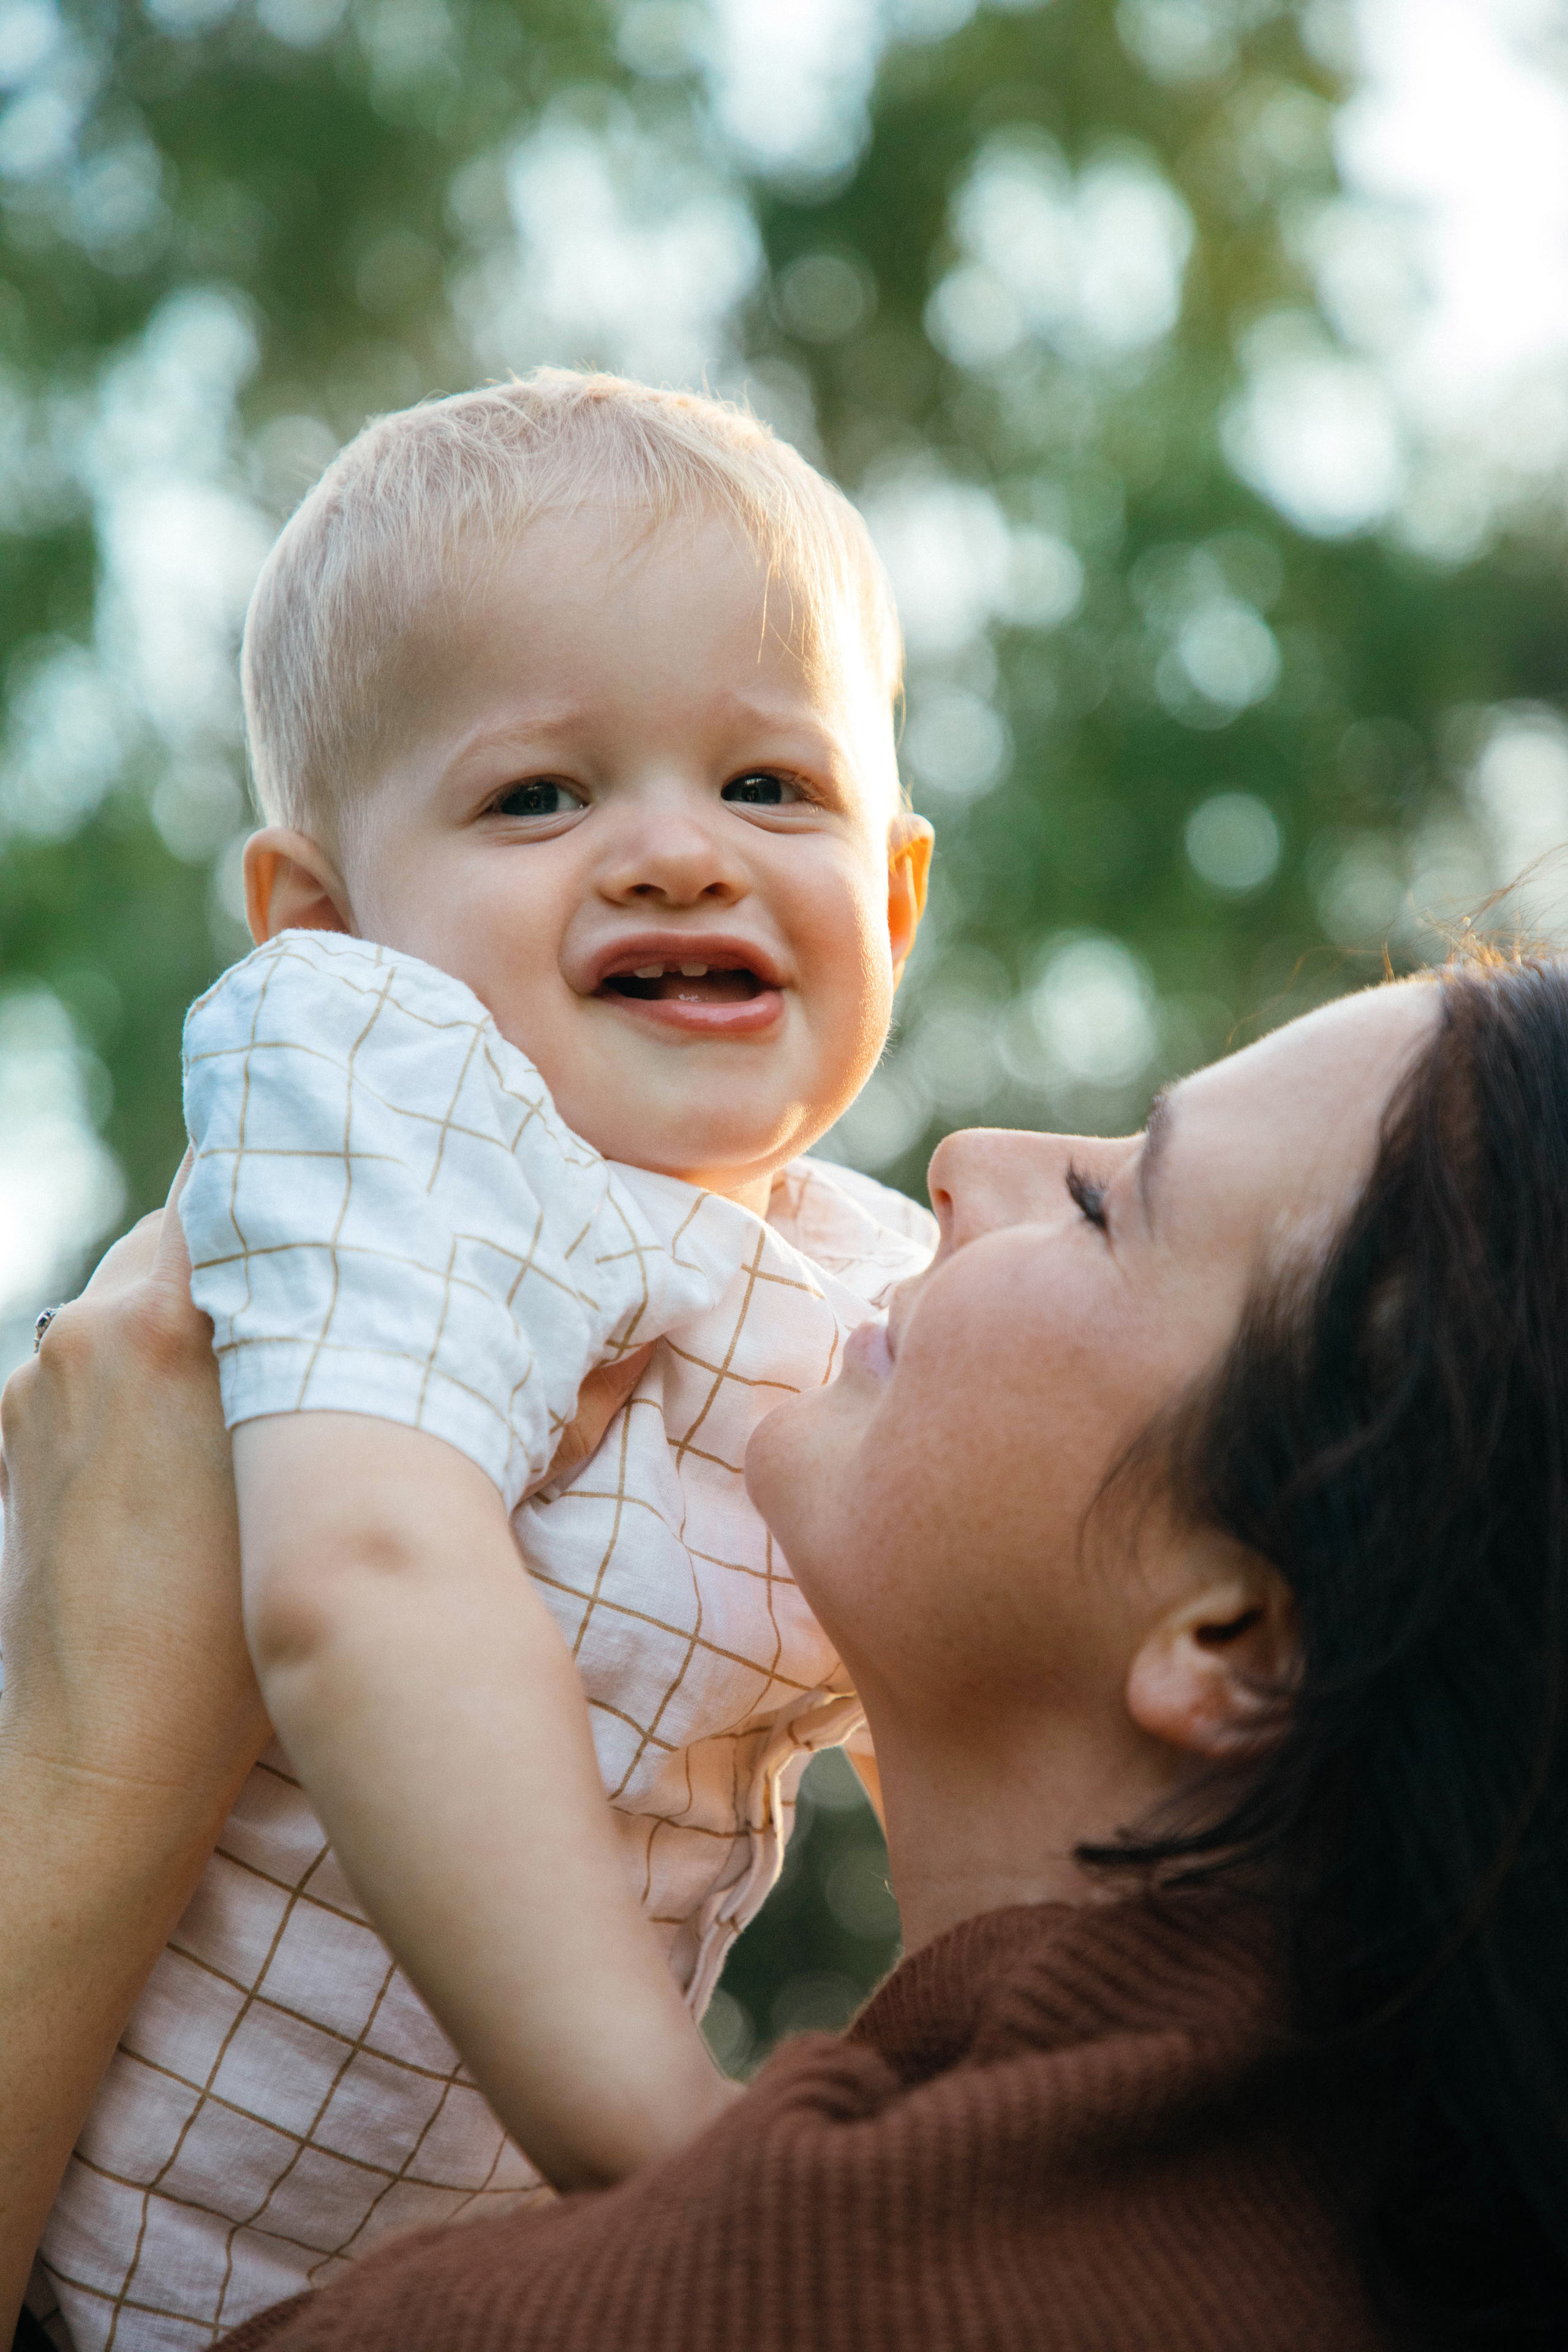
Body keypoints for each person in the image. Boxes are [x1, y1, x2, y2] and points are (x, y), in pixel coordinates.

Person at [9, 949, 1568, 2349]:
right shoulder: (1291, 2229)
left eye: (1108, 1205)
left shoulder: (800, 2291)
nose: (966, 1161)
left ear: (1233, 1633)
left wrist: (91, 1751)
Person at [24, 370, 940, 2349]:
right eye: (542, 793)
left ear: (892, 894)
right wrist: (664, 2136)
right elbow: (365, 1581)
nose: (678, 855)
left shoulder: (873, 1281)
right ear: (325, 922)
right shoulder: (377, 1095)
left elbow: (987, 1708)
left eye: (769, 785)